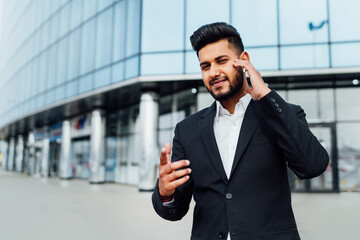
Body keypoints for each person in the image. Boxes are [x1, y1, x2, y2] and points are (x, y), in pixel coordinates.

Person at [152, 22, 329, 240]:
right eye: (205, 66)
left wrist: (265, 94)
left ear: (243, 60)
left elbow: (313, 165)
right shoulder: (187, 130)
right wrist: (165, 192)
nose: (213, 72)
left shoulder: (280, 114)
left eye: (222, 61)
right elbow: (175, 210)